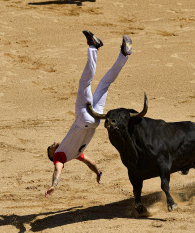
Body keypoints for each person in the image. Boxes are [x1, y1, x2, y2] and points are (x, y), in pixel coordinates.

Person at [45, 30, 133, 198]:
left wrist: (97, 172)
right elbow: (57, 169)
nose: (54, 143)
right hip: (83, 118)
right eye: (51, 147)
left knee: (105, 83)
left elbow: (90, 163)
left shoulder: (76, 154)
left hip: (95, 122)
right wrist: (54, 185)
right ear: (52, 154)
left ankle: (124, 54)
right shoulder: (59, 156)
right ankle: (93, 46)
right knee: (84, 83)